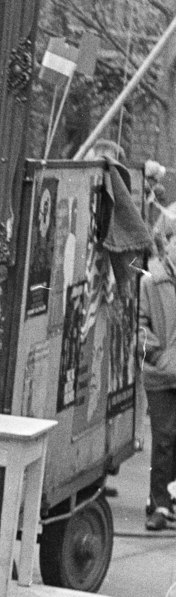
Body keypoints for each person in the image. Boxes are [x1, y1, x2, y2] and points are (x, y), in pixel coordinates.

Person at [139, 215, 176, 529]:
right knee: (164, 437)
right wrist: (158, 354)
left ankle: (168, 499)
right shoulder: (150, 282)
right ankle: (159, 505)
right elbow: (138, 327)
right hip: (160, 374)